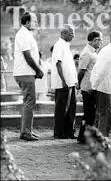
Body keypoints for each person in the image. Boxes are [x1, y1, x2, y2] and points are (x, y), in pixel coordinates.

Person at [13, 12, 44, 141]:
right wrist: (38, 70)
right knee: (30, 101)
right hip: (25, 72)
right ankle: (26, 132)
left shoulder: (26, 34)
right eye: (34, 21)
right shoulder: (23, 34)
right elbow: (27, 55)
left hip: (26, 72)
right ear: (26, 22)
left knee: (28, 101)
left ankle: (26, 131)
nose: (36, 23)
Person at [51, 24, 77, 139]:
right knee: (61, 109)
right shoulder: (59, 45)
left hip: (70, 82)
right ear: (64, 33)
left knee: (71, 108)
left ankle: (69, 132)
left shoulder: (66, 45)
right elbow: (58, 63)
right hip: (64, 83)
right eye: (71, 33)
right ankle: (59, 133)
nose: (73, 35)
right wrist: (63, 81)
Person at [76, 31, 102, 143]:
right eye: (100, 40)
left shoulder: (94, 52)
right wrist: (79, 84)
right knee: (89, 113)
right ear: (95, 40)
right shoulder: (87, 53)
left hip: (92, 86)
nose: (101, 42)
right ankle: (82, 136)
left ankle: (86, 135)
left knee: (91, 113)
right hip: (88, 87)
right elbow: (81, 71)